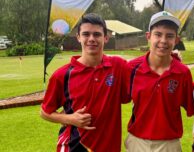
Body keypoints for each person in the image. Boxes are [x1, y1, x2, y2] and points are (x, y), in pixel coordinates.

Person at [40, 13, 129, 151]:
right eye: (86, 34)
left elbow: (144, 68)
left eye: (97, 34)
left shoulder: (118, 66)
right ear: (78, 37)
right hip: (74, 146)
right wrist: (70, 119)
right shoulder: (62, 75)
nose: (91, 39)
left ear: (106, 38)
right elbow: (45, 112)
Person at [124, 11, 194, 152]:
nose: (163, 41)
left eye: (169, 36)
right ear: (148, 36)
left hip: (169, 144)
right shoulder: (131, 68)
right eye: (158, 34)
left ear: (176, 40)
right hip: (137, 142)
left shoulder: (183, 73)